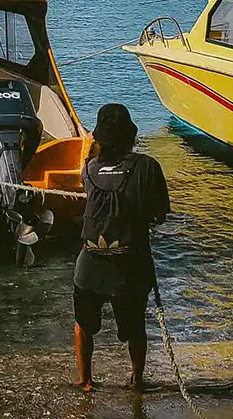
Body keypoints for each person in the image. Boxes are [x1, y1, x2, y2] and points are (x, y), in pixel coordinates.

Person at [73, 103, 171, 392]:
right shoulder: (147, 167)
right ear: (130, 136)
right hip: (130, 263)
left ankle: (85, 380)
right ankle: (137, 381)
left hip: (89, 263)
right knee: (135, 327)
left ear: (99, 140)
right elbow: (159, 215)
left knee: (83, 323)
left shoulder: (88, 170)